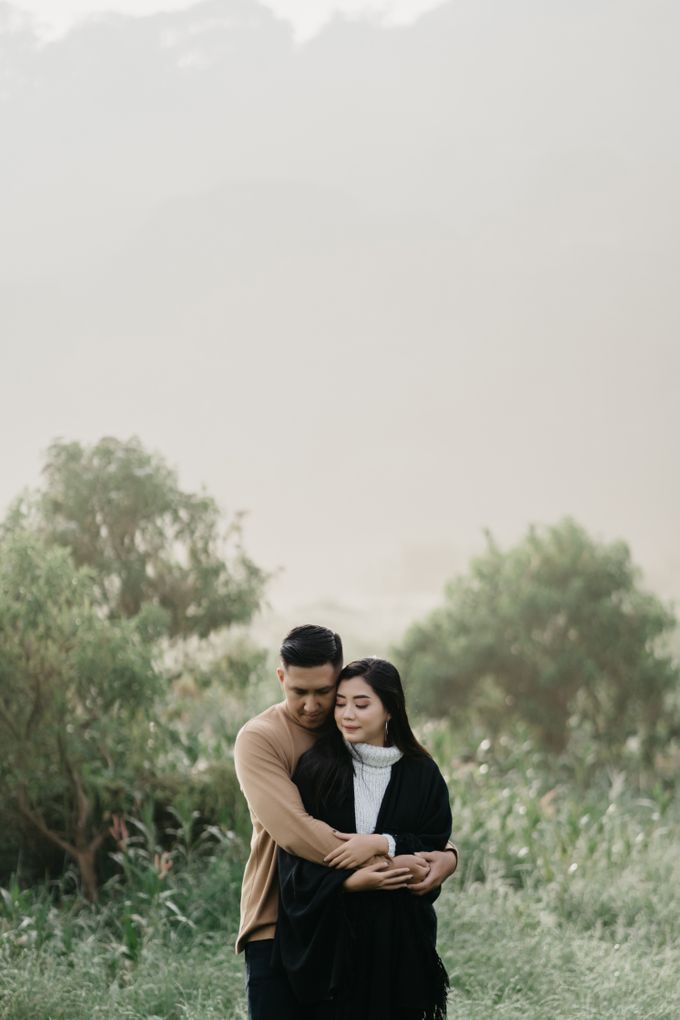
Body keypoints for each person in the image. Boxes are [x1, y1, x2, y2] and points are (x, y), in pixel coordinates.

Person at [234, 625, 458, 1020]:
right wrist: (391, 861)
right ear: (281, 678)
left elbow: (417, 816)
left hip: (353, 927)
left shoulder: (350, 728)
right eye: (298, 692)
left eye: (324, 692)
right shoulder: (262, 738)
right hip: (276, 917)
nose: (312, 706)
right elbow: (296, 832)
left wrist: (447, 855)